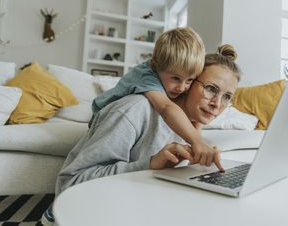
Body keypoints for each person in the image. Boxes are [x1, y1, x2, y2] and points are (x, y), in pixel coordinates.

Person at [40, 44, 241, 225]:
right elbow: (70, 183)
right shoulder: (134, 110)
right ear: (188, 80)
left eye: (226, 97)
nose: (217, 104)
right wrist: (149, 164)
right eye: (210, 89)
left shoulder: (191, 125)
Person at [91, 27, 220, 168]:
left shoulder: (171, 78)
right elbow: (166, 108)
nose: (182, 88)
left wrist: (196, 141)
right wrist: (198, 142)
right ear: (155, 66)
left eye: (189, 80)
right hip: (104, 115)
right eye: (176, 78)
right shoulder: (147, 76)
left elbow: (193, 117)